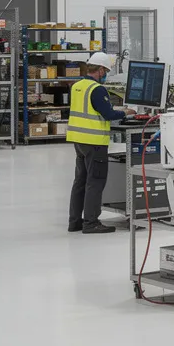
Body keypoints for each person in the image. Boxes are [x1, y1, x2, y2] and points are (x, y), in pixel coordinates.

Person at [67, 52, 129, 234]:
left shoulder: (77, 86)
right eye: (106, 71)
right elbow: (108, 114)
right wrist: (126, 113)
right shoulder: (97, 89)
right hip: (94, 141)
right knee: (95, 182)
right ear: (101, 70)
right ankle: (91, 222)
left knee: (80, 181)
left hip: (78, 140)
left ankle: (75, 222)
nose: (106, 75)